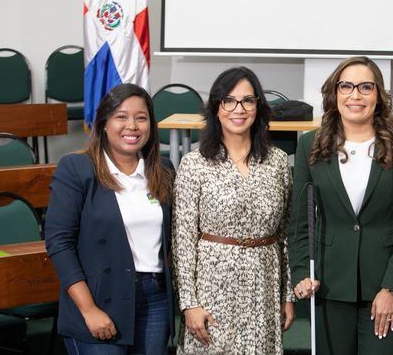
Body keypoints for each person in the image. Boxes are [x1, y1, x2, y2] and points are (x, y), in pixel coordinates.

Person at [289, 56, 393, 354]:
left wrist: (391, 287)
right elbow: (298, 222)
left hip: (385, 286)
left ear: (378, 95)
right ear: (334, 93)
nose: (355, 95)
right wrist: (300, 273)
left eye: (366, 87)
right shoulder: (309, 146)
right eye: (346, 86)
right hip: (328, 284)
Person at [45, 84, 176, 355]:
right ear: (104, 123)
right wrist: (89, 310)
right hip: (98, 298)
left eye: (141, 117)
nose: (132, 126)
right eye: (121, 116)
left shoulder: (163, 169)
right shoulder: (76, 168)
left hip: (155, 300)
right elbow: (60, 243)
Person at [172, 66, 295, 354]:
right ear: (216, 107)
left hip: (263, 283)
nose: (238, 109)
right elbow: (183, 240)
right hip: (213, 285)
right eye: (229, 100)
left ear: (258, 107)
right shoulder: (195, 163)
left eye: (247, 100)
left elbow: (286, 232)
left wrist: (286, 294)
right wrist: (189, 303)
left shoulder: (277, 162)